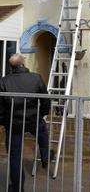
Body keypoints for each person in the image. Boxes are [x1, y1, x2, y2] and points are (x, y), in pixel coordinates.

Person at [0, 54, 50, 192]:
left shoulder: (4, 81)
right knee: (43, 133)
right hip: (33, 119)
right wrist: (43, 114)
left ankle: (17, 188)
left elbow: (1, 106)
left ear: (11, 66)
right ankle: (45, 157)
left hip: (14, 122)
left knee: (15, 155)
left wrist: (4, 122)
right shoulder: (36, 77)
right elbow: (46, 100)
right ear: (23, 64)